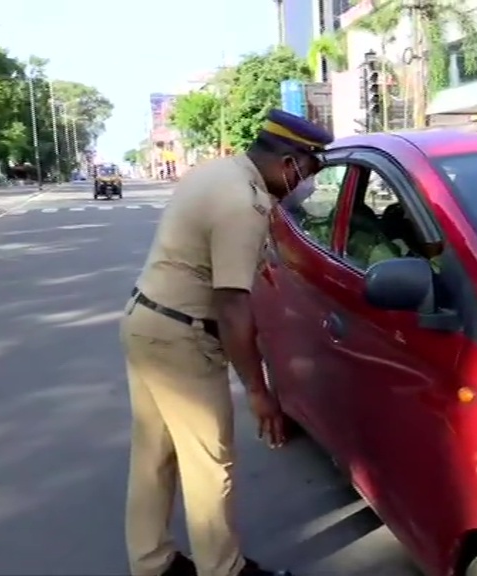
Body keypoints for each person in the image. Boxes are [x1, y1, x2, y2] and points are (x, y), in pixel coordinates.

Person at [120, 109, 332, 576]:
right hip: (182, 337)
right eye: (309, 173)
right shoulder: (242, 204)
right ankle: (224, 570)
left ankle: (151, 562)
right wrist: (258, 391)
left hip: (146, 322)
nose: (306, 186)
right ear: (290, 163)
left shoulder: (221, 172)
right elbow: (233, 305)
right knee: (209, 464)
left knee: (154, 453)